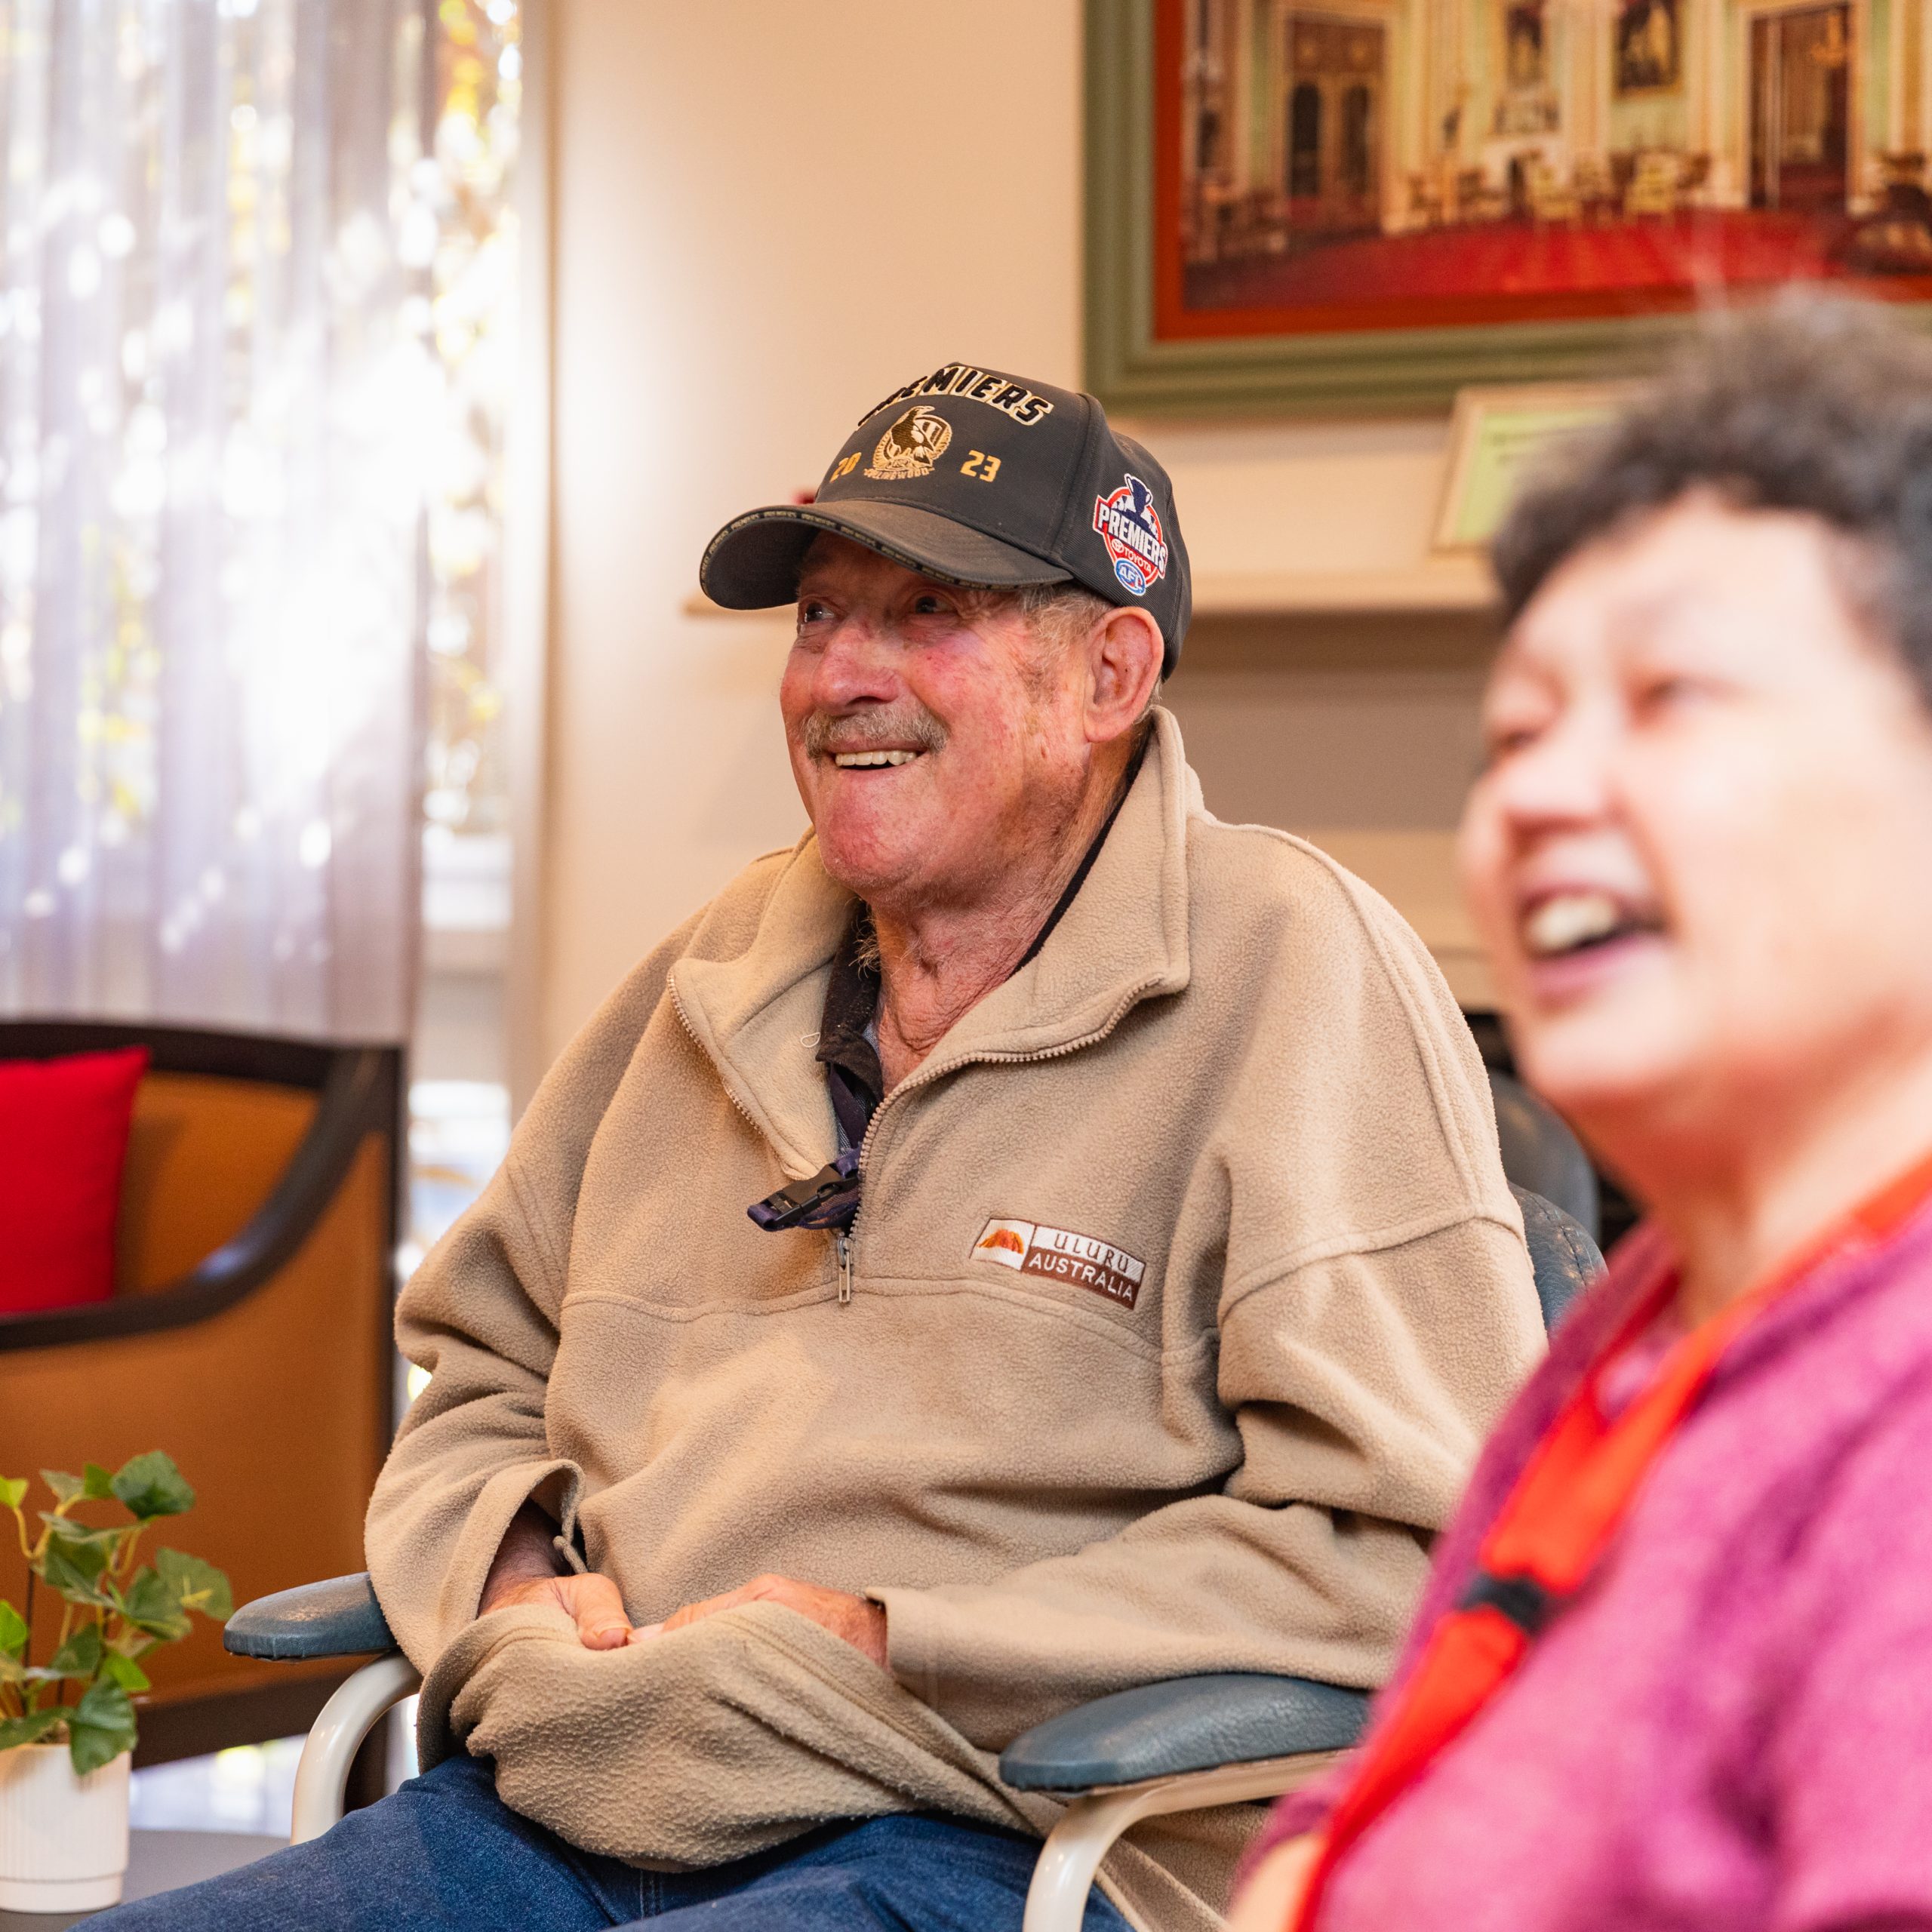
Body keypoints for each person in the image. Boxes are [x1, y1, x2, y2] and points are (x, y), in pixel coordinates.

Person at [103, 363, 1540, 1932]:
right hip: (555, 1802)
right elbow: (480, 1376)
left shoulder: (1290, 963)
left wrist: (884, 1631)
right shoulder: (712, 968)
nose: (837, 674)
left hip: (1000, 1833)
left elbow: (1412, 1549)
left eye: (927, 610)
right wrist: (513, 1574)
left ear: (1110, 672)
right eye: (814, 616)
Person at [1233, 297, 1932, 1932]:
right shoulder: (1646, 1311)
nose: (1536, 792)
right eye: (1517, 730)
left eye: (1670, 694)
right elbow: (1400, 1763)